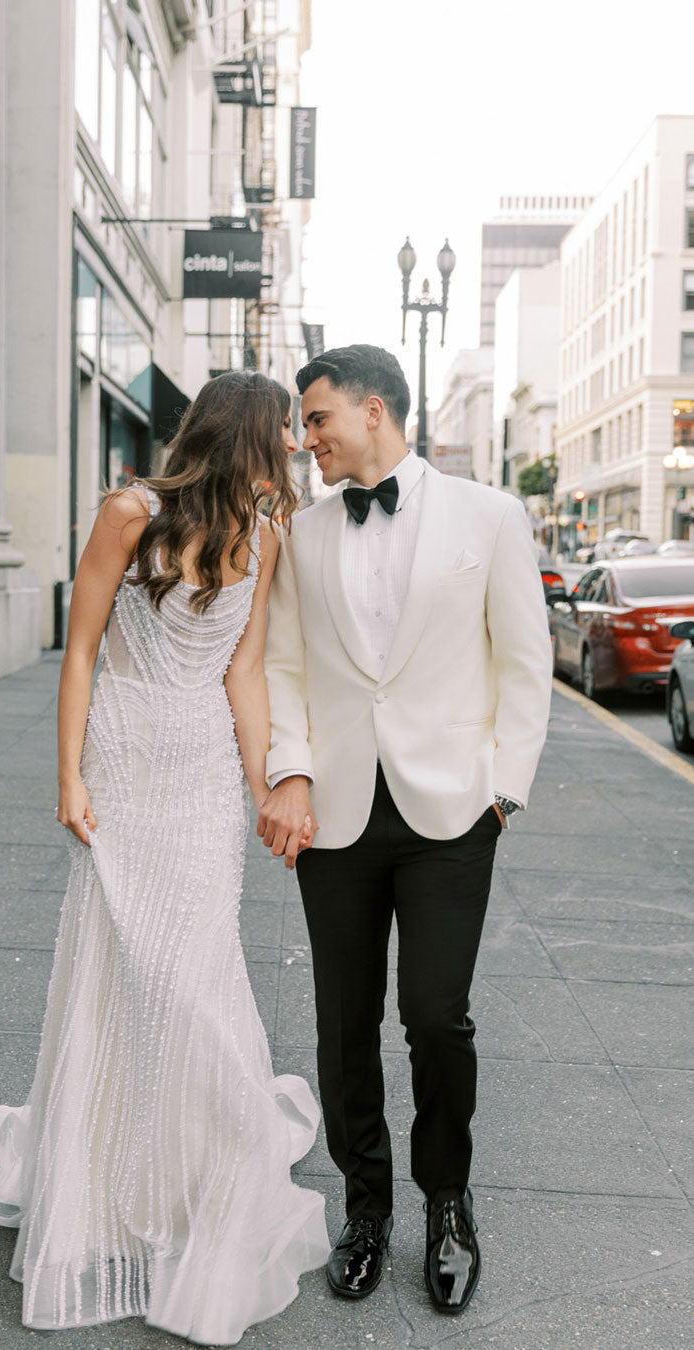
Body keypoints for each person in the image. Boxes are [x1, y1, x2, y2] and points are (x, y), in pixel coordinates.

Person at [0, 371, 329, 1345]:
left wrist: (267, 785)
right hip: (123, 771)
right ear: (243, 435)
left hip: (203, 787)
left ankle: (200, 1181)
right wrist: (68, 777)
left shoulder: (269, 536)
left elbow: (245, 669)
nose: (297, 448)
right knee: (119, 980)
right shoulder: (129, 514)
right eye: (286, 433)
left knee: (199, 985)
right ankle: (102, 1190)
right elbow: (81, 647)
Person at [257, 344, 552, 1313]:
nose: (308, 439)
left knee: (435, 1015)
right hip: (332, 810)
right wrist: (289, 774)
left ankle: (449, 1204)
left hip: (450, 813)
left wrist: (501, 789)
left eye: (318, 420)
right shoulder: (300, 532)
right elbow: (287, 667)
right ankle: (368, 1206)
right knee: (344, 1024)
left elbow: (522, 659)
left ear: (373, 410)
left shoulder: (489, 515)